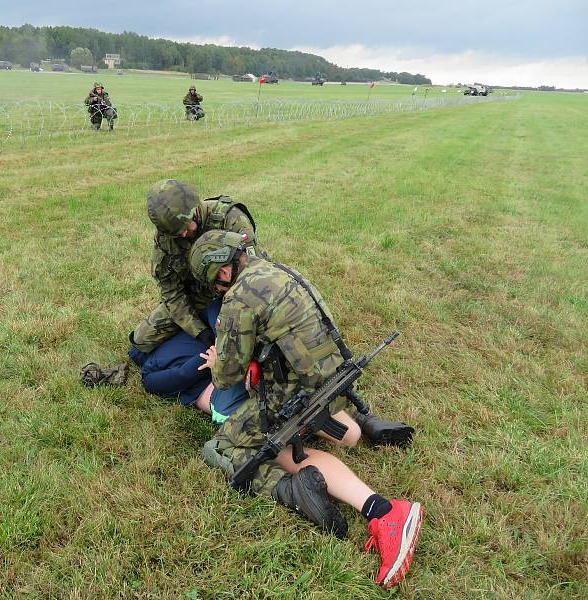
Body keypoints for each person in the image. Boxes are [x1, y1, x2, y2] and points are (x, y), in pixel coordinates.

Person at [188, 230, 423, 590]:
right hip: (333, 383)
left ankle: (365, 508)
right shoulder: (279, 270)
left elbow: (226, 377)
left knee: (222, 447)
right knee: (335, 434)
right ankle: (363, 426)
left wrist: (219, 357)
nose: (218, 293)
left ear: (221, 272)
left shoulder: (239, 299)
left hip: (297, 396)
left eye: (214, 285)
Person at [129, 179, 262, 355]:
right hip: (197, 296)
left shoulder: (230, 219)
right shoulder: (167, 237)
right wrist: (200, 333)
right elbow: (171, 292)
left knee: (248, 344)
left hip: (234, 294)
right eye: (177, 233)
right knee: (142, 340)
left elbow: (254, 276)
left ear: (196, 209)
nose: (183, 234)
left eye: (186, 226)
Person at [128, 299, 247, 425]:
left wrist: (219, 339)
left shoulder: (188, 326)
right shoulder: (149, 371)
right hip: (216, 388)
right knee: (240, 421)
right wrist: (216, 352)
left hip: (231, 364)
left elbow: (214, 306)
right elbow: (182, 375)